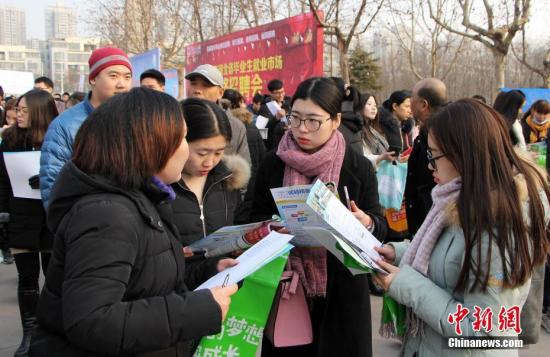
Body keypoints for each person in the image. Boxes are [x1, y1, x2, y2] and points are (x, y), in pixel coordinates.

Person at [29, 88, 239, 357]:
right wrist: (198, 310)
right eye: (182, 138)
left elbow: (147, 280)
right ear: (149, 145)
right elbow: (92, 320)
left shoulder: (142, 198)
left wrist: (209, 270)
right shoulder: (107, 214)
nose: (186, 150)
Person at [373, 98, 550, 357]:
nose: (429, 165)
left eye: (433, 156)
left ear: (465, 153)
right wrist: (397, 252)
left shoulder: (499, 222)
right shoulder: (460, 196)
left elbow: (484, 332)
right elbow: (450, 256)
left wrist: (405, 284)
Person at [251, 77, 387, 357]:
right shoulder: (273, 163)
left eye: (313, 121)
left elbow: (379, 225)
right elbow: (250, 215)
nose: (301, 129)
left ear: (335, 120)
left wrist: (368, 223)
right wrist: (271, 226)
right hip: (288, 288)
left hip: (343, 292)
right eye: (295, 118)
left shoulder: (357, 166)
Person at [0, 89, 58, 356]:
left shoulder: (57, 139)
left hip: (50, 214)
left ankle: (50, 330)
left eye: (24, 111)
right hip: (20, 214)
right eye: (17, 110)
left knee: (53, 276)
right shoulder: (9, 138)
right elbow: (1, 180)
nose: (17, 115)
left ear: (38, 112)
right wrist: (3, 214)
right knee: (27, 279)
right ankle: (29, 334)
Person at [39, 47, 133, 208]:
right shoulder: (65, 125)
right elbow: (52, 185)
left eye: (127, 77)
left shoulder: (137, 119)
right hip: (87, 221)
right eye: (113, 76)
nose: (121, 84)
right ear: (93, 79)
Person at [171, 98, 250, 245]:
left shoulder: (227, 179)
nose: (209, 162)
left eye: (218, 153)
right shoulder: (160, 187)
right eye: (202, 153)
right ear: (179, 142)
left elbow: (239, 222)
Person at [404, 78, 447, 238]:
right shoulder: (429, 128)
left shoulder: (439, 132)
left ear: (423, 104)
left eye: (412, 99)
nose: (432, 165)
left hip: (432, 217)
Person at [185, 64, 251, 164]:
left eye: (205, 85)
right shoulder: (175, 119)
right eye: (194, 84)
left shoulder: (235, 126)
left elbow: (243, 167)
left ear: (220, 92)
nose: (197, 90)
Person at [360, 92, 396, 168]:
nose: (373, 108)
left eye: (375, 105)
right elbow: (362, 156)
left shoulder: (373, 130)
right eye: (369, 104)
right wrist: (381, 157)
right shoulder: (358, 130)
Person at [258, 79, 291, 150]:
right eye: (277, 93)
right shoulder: (264, 108)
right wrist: (275, 119)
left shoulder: (288, 104)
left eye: (282, 91)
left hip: (288, 145)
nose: (281, 95)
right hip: (273, 147)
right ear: (271, 93)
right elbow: (261, 132)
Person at [379, 90, 413, 155]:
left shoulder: (406, 126)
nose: (410, 111)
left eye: (411, 107)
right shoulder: (381, 126)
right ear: (395, 106)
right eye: (407, 106)